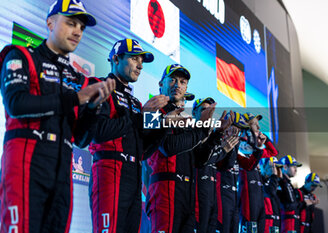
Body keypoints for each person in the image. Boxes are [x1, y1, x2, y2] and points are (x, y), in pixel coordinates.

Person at [0, 0, 115, 232]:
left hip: (63, 169)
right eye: (71, 23)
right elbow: (16, 104)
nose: (77, 32)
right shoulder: (21, 55)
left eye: (81, 28)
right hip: (26, 162)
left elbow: (81, 140)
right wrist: (76, 99)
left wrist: (93, 108)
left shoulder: (76, 78)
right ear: (50, 23)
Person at [88, 38, 170, 233]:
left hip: (132, 176)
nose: (140, 65)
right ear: (116, 59)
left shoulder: (135, 102)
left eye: (141, 60)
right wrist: (141, 117)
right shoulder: (99, 85)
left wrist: (163, 124)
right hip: (108, 171)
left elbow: (144, 150)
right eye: (134, 59)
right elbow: (97, 132)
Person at [146, 64, 234, 233]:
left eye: (182, 81)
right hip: (165, 189)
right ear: (160, 84)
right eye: (172, 80)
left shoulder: (184, 120)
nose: (177, 85)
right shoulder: (152, 109)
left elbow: (199, 160)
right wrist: (201, 129)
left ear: (186, 88)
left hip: (187, 191)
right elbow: (167, 147)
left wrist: (216, 134)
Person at [192, 97, 236, 233]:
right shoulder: (192, 133)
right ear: (194, 113)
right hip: (197, 196)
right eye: (204, 109)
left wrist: (232, 144)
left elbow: (226, 165)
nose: (208, 113)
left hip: (213, 197)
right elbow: (201, 160)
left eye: (211, 110)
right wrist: (222, 149)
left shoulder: (214, 136)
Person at [216, 113, 264, 233]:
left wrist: (258, 147)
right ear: (227, 127)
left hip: (234, 200)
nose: (238, 132)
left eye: (240, 130)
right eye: (236, 128)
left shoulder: (235, 149)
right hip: (220, 198)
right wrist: (232, 145)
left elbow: (249, 166)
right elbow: (226, 164)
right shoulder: (218, 145)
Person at [238, 113, 278, 233]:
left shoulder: (256, 147)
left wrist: (264, 138)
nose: (259, 128)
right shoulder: (239, 143)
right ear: (247, 125)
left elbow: (273, 152)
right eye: (255, 124)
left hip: (258, 196)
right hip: (247, 195)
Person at [277, 155, 307, 233]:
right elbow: (288, 205)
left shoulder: (287, 183)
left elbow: (293, 203)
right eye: (293, 166)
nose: (296, 169)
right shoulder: (281, 182)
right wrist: (303, 203)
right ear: (285, 167)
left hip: (292, 224)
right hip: (285, 225)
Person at [259, 157, 282, 233]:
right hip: (264, 223)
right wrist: (274, 177)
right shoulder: (259, 181)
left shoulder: (272, 182)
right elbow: (270, 192)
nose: (275, 170)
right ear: (263, 167)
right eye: (272, 167)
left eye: (276, 167)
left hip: (274, 223)